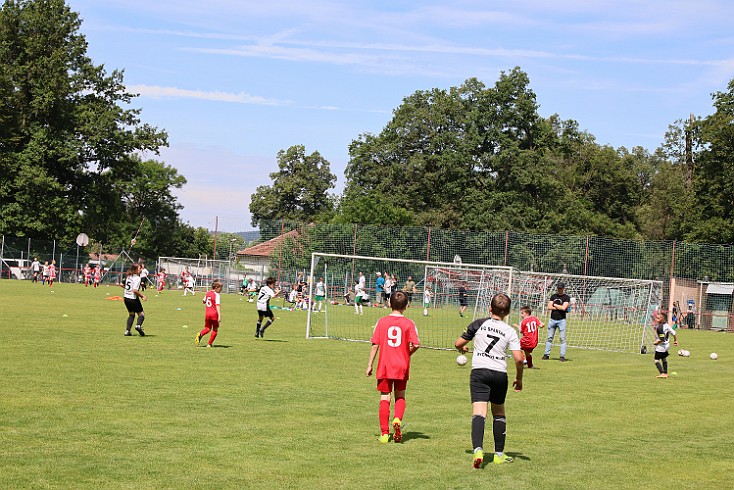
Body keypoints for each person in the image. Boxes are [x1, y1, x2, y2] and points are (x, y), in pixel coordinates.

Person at [455, 292, 524, 468]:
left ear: (490, 308)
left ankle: (478, 450)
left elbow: (458, 343)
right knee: (499, 412)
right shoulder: (510, 331)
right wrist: (519, 378)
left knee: (479, 412)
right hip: (500, 374)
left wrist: (464, 348)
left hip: (480, 372)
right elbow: (518, 358)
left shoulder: (479, 323)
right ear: (507, 313)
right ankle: (499, 454)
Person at [366, 291, 420, 444]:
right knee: (400, 395)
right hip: (401, 365)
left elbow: (375, 344)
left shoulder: (381, 322)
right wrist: (407, 354)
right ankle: (397, 418)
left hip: (384, 365)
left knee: (385, 397)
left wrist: (370, 364)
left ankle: (384, 433)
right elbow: (416, 344)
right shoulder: (409, 323)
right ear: (406, 306)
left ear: (389, 304)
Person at [543, 282, 571, 362]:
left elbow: (564, 308)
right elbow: (549, 306)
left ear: (563, 289)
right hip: (552, 320)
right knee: (549, 338)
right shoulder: (553, 296)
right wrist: (559, 307)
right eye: (558, 288)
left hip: (561, 320)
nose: (559, 290)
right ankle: (546, 354)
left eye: (561, 288)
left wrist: (555, 305)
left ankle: (562, 356)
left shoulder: (566, 298)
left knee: (562, 338)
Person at [119, 263, 147, 336]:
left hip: (126, 298)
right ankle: (138, 326)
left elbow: (121, 284)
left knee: (131, 314)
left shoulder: (129, 276)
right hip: (133, 298)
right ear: (135, 270)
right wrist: (142, 296)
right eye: (139, 268)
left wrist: (127, 289)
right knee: (141, 314)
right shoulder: (137, 278)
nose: (141, 270)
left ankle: (127, 331)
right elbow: (134, 290)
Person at [196, 280, 223, 348]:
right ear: (216, 288)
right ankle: (209, 344)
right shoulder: (217, 295)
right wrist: (219, 315)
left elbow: (203, 301)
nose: (221, 290)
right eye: (220, 288)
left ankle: (200, 334)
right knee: (215, 329)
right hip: (214, 314)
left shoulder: (208, 293)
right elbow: (217, 305)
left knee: (207, 328)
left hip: (207, 314)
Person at [653, 311, 678, 378]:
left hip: (661, 346)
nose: (656, 319)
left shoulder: (660, 327)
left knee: (656, 360)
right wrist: (675, 341)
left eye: (658, 318)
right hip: (667, 346)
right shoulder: (667, 325)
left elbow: (662, 339)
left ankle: (662, 373)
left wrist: (656, 343)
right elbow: (674, 333)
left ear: (662, 319)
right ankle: (665, 373)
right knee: (664, 359)